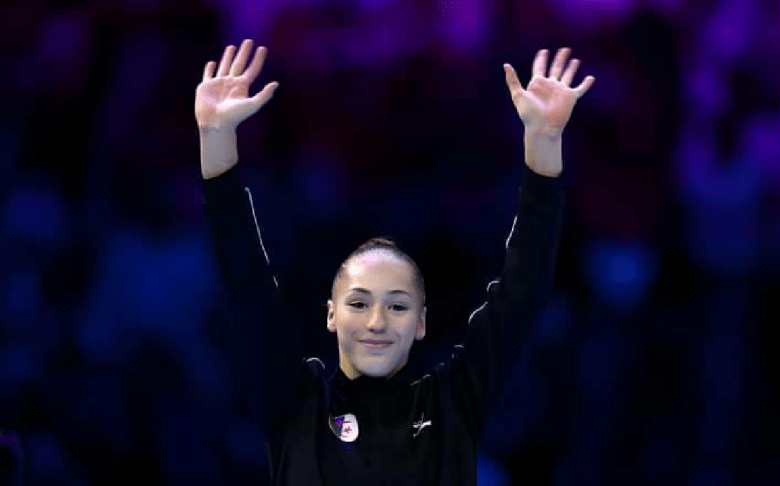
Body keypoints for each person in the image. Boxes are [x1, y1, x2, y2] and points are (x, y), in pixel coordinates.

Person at [196, 38, 594, 485]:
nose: (378, 322)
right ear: (331, 315)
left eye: (398, 305)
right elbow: (247, 281)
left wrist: (543, 142)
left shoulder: (453, 402)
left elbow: (524, 291)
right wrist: (216, 139)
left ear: (421, 323)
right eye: (360, 303)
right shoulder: (297, 403)